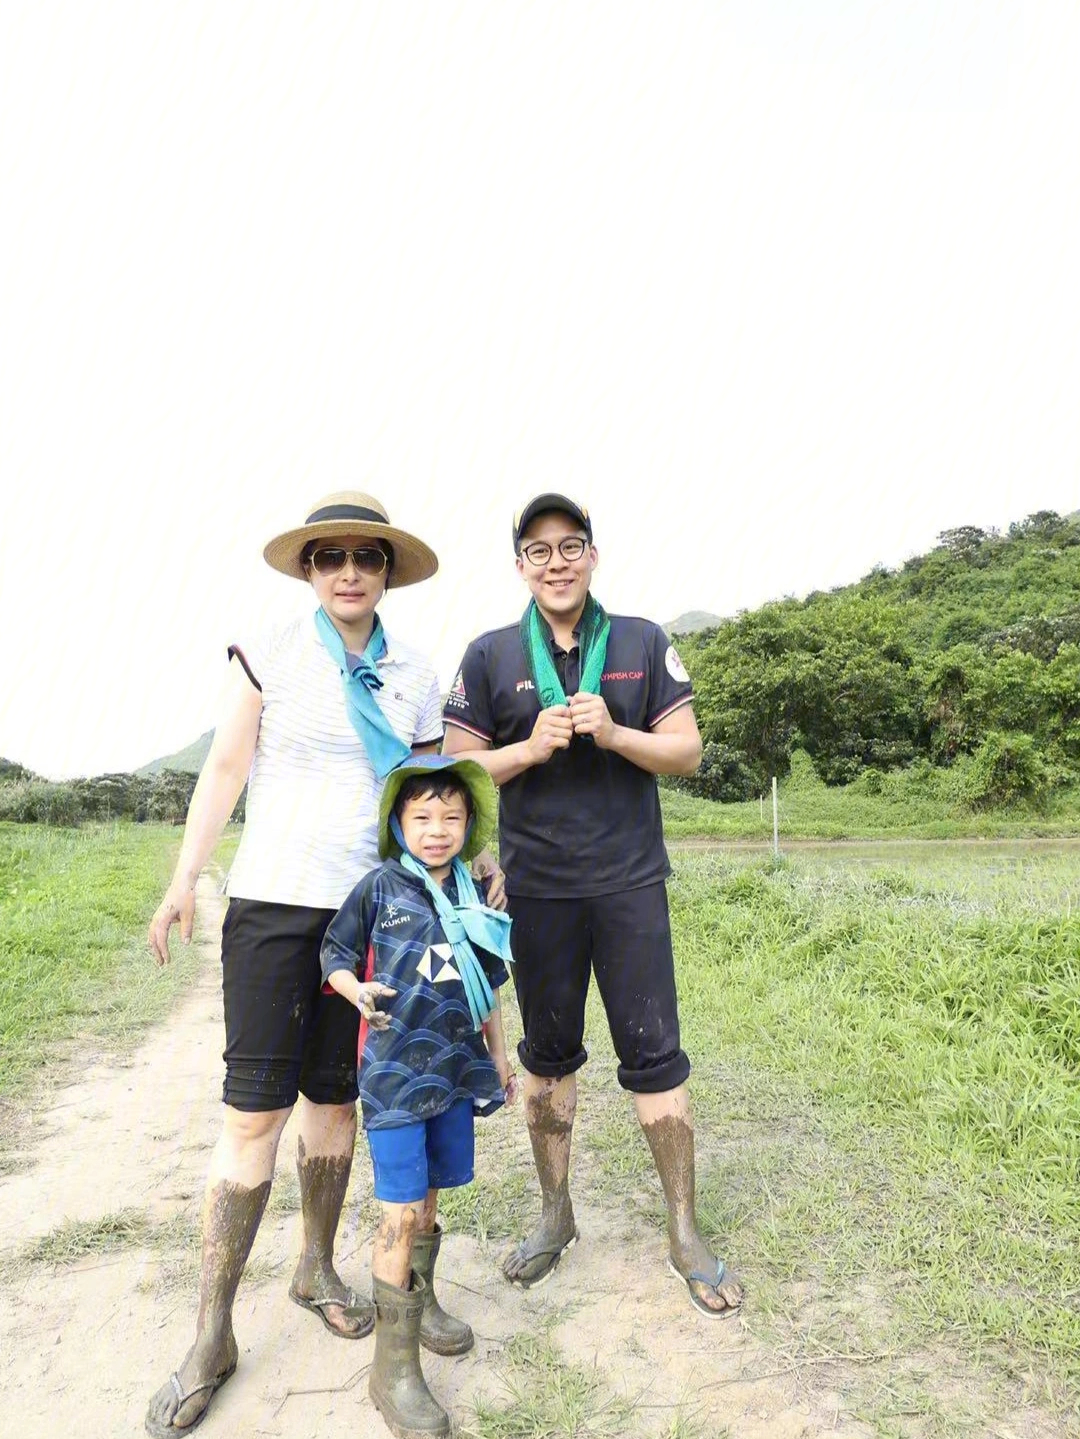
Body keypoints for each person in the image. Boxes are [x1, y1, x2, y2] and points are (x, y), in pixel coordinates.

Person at [144, 493, 500, 1437]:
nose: (349, 570)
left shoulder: (417, 673)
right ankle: (211, 1334)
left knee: (343, 1103)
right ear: (308, 569)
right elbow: (225, 769)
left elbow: (428, 800)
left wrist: (470, 874)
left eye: (367, 557)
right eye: (331, 556)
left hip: (378, 914)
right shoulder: (269, 648)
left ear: (388, 571)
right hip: (270, 905)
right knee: (253, 1115)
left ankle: (319, 1265)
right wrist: (187, 879)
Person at [442, 493, 743, 1320]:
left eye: (569, 545)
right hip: (535, 890)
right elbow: (457, 775)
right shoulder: (490, 654)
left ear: (593, 554)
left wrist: (613, 734)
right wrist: (530, 748)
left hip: (630, 883)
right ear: (520, 568)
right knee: (547, 1061)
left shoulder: (642, 641)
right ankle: (555, 1212)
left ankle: (683, 1229)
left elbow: (686, 749)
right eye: (537, 551)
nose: (556, 561)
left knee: (658, 1055)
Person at [321, 753, 516, 1439]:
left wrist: (497, 1055)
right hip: (396, 1079)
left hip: (454, 1073)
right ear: (399, 822)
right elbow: (334, 954)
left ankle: (422, 1301)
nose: (437, 829)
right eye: (422, 815)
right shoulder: (378, 888)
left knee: (431, 1198)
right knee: (399, 1214)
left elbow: (487, 985)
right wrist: (356, 992)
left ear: (470, 825)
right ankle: (393, 1371)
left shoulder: (473, 893)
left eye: (452, 816)